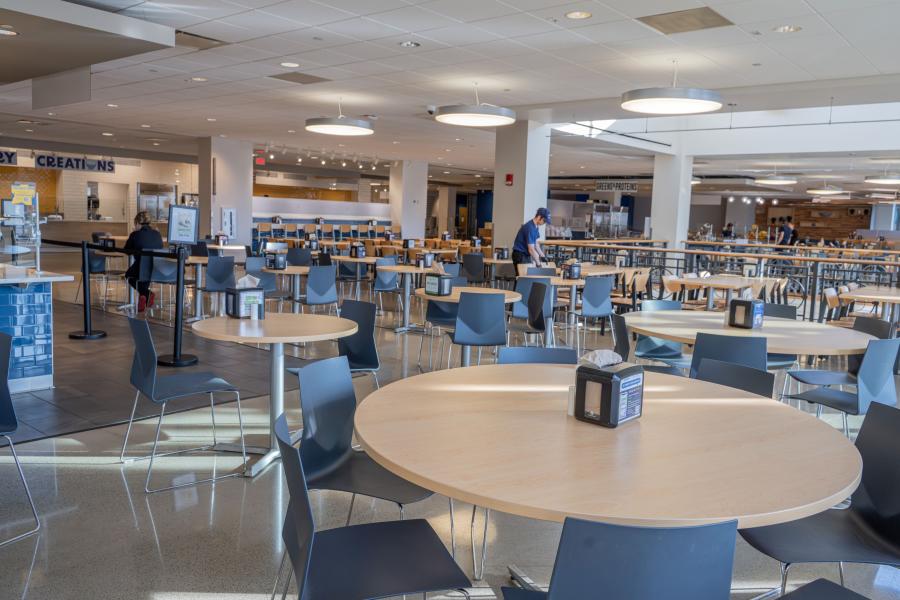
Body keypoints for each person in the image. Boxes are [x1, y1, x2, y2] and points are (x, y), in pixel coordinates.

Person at [124, 211, 163, 312]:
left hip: (141, 268)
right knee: (143, 275)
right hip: (157, 268)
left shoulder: (135, 234)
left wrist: (133, 236)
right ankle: (144, 297)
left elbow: (126, 251)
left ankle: (146, 294)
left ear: (137, 223)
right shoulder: (157, 234)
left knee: (129, 276)